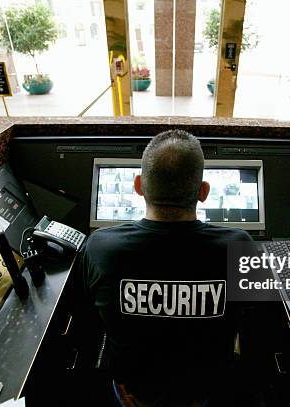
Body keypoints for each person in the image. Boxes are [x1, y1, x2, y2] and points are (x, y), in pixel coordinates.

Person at [76, 130, 254, 406]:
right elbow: (252, 317)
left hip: (132, 395)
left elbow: (89, 314)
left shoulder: (99, 246)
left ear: (138, 186)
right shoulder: (241, 246)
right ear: (204, 192)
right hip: (205, 394)